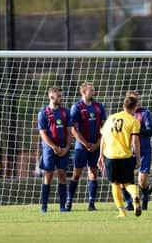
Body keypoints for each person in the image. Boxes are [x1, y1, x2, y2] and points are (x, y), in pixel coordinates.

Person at [97, 92, 142, 218]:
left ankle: (122, 212)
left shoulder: (110, 118)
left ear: (123, 106)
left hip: (110, 156)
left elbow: (103, 138)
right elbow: (135, 141)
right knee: (128, 183)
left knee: (115, 184)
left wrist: (100, 156)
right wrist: (138, 158)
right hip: (125, 157)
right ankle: (135, 195)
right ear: (135, 108)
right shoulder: (134, 121)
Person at [66, 82, 106, 211]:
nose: (94, 92)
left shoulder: (99, 107)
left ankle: (91, 203)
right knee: (76, 174)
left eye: (94, 90)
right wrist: (85, 143)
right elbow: (73, 130)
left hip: (95, 146)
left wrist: (97, 143)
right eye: (91, 90)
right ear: (83, 92)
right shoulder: (76, 107)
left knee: (93, 174)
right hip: (81, 147)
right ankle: (69, 201)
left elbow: (104, 128)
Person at [37, 87, 72, 213]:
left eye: (61, 96)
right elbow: (43, 134)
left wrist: (67, 147)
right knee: (48, 175)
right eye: (59, 96)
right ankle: (44, 207)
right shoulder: (43, 113)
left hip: (63, 148)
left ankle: (62, 206)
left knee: (62, 175)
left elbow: (69, 132)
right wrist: (54, 147)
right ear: (51, 97)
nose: (61, 98)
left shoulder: (65, 112)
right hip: (49, 149)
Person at [120, 90, 152, 211]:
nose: (138, 101)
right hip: (127, 150)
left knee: (142, 181)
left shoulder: (145, 113)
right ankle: (129, 203)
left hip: (144, 150)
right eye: (136, 99)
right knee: (123, 179)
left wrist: (135, 131)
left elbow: (150, 131)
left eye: (139, 98)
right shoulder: (122, 115)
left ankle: (145, 199)